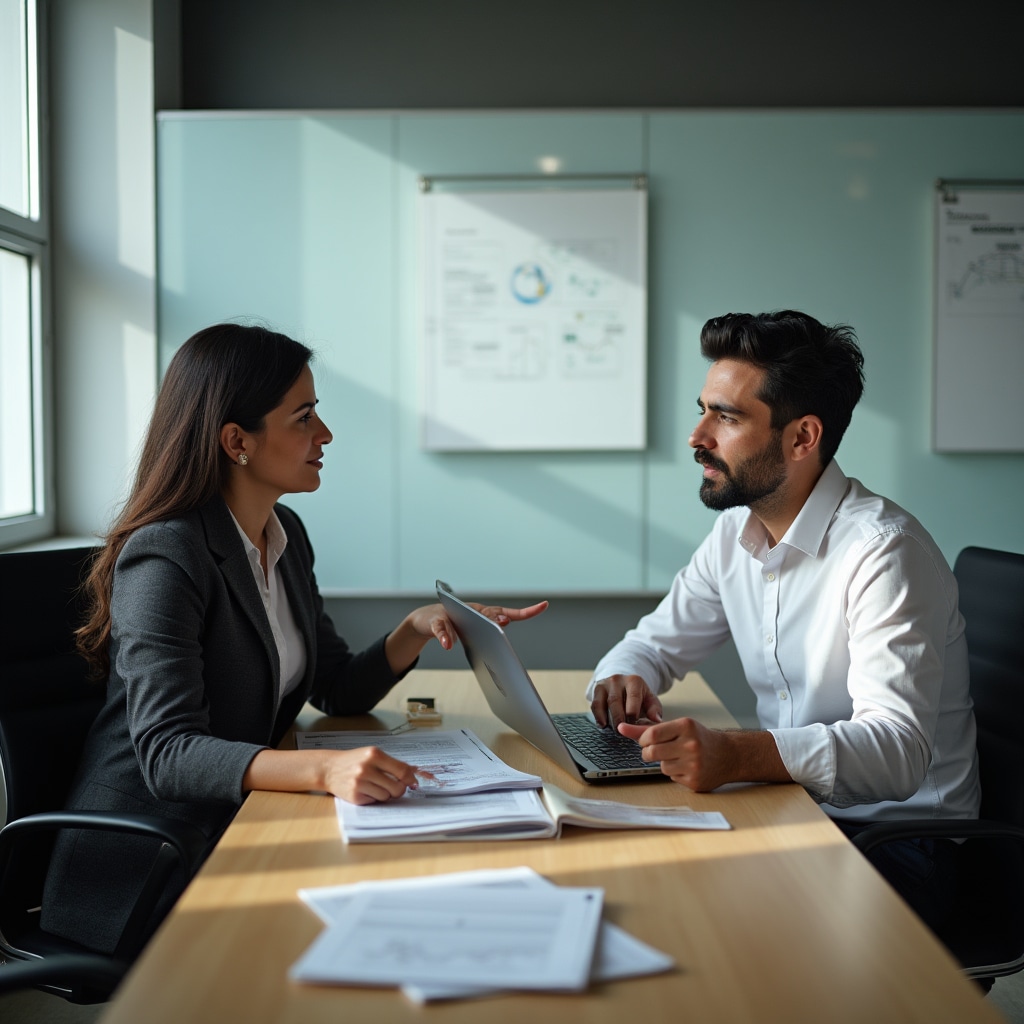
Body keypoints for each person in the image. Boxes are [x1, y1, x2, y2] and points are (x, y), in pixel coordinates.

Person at [40, 323, 545, 955]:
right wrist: (326, 768)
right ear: (236, 442)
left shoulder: (285, 534)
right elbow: (169, 752)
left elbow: (335, 687)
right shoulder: (165, 556)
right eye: (303, 417)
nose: (324, 435)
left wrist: (415, 628)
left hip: (240, 823)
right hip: (151, 857)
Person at [588, 310, 979, 930]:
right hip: (800, 811)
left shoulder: (884, 552)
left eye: (727, 417)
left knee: (687, 917)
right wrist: (621, 678)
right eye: (704, 409)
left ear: (802, 438)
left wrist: (738, 757)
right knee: (630, 879)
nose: (697, 436)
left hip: (904, 847)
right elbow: (653, 646)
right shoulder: (732, 537)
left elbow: (897, 752)